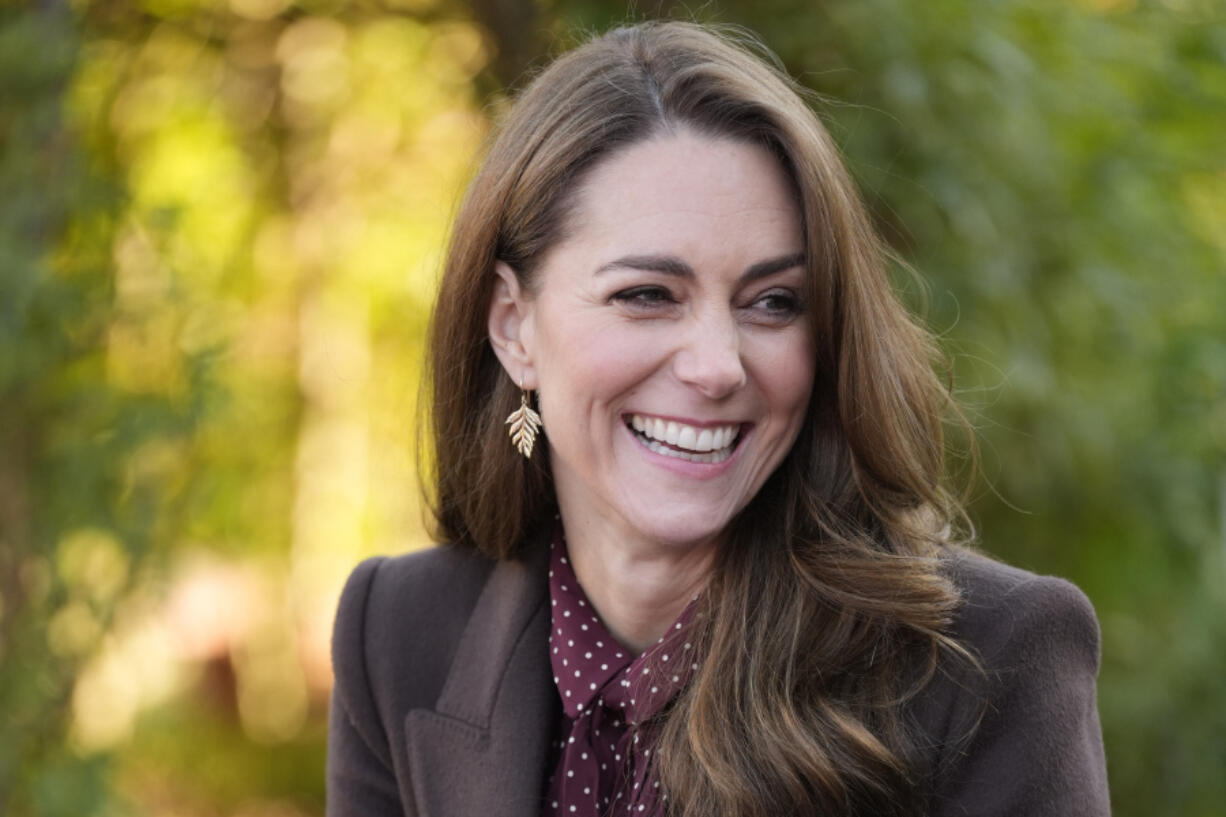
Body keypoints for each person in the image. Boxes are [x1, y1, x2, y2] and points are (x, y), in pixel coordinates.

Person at [326, 20, 1110, 817]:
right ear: (512, 326)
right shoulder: (397, 634)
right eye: (646, 295)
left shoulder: (992, 660)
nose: (718, 365)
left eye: (773, 302)